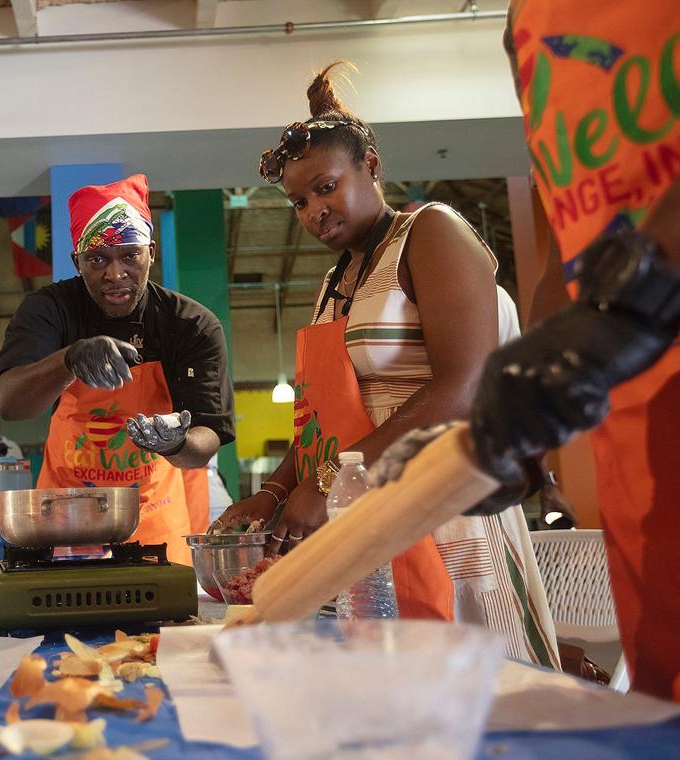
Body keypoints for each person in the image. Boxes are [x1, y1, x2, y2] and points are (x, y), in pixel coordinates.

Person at [213, 63, 558, 667]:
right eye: (298, 201)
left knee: (481, 696)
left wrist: (330, 483)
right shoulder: (334, 280)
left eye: (325, 187)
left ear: (370, 166)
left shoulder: (431, 233)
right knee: (393, 693)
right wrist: (272, 491)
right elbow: (322, 414)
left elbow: (465, 384)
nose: (313, 210)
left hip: (444, 505)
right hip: (370, 514)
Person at [461, 0, 680, 700]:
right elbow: (570, 238)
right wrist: (518, 419)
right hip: (637, 440)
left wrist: (639, 290)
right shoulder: (527, 20)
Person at [0, 174, 235, 565]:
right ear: (77, 261)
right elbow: (11, 404)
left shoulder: (190, 324)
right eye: (97, 259)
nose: (115, 273)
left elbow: (207, 436)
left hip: (153, 513)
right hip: (66, 514)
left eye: (130, 255)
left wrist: (174, 443)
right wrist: (67, 359)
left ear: (151, 252)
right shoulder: (49, 311)